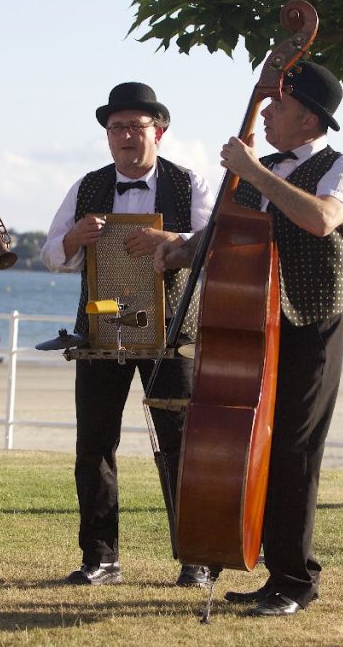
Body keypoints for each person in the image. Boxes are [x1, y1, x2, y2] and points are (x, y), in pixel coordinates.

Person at [156, 61, 343, 617]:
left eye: (278, 106)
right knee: (259, 445)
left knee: (295, 450)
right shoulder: (261, 168)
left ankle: (296, 580)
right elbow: (222, 231)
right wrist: (175, 249)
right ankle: (267, 566)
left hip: (311, 321)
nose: (266, 113)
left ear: (308, 116)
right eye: (266, 104)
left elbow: (320, 219)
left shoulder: (341, 167)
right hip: (254, 322)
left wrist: (253, 172)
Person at [40, 82, 216, 587]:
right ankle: (101, 558)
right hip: (100, 333)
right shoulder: (87, 185)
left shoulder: (191, 183)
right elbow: (53, 255)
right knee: (94, 446)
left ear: (158, 132)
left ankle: (196, 559)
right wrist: (73, 238)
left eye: (136, 127)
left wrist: (173, 240)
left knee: (182, 447)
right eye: (116, 128)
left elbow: (215, 245)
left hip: (173, 333)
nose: (125, 136)